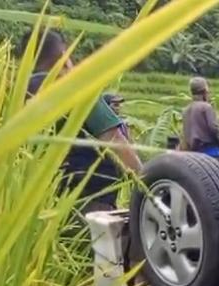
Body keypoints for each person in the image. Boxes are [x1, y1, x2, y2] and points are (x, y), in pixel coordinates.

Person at [19, 29, 143, 213]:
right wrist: (148, 182)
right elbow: (114, 139)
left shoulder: (17, 92)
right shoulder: (77, 87)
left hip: (38, 205)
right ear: (64, 55)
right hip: (89, 201)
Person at [181, 77, 219, 159]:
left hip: (192, 153)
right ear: (205, 91)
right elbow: (214, 128)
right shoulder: (206, 107)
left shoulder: (186, 109)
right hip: (209, 151)